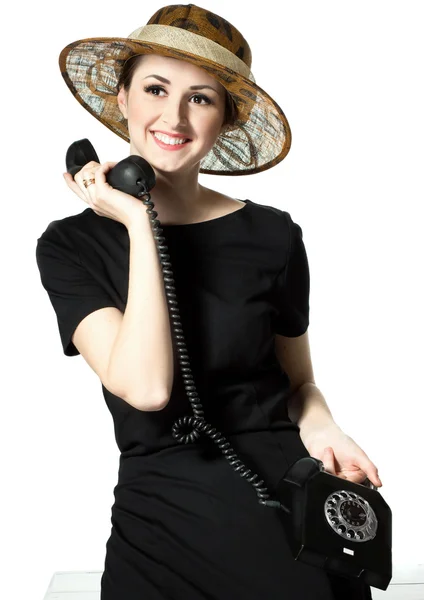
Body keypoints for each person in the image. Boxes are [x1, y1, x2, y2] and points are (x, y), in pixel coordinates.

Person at [36, 4, 380, 599]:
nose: (173, 116)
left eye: (200, 98)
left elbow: (299, 385)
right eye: (155, 88)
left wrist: (327, 427)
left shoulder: (274, 235)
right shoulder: (71, 245)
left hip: (282, 502)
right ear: (122, 98)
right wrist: (139, 224)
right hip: (160, 518)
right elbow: (146, 389)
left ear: (224, 118)